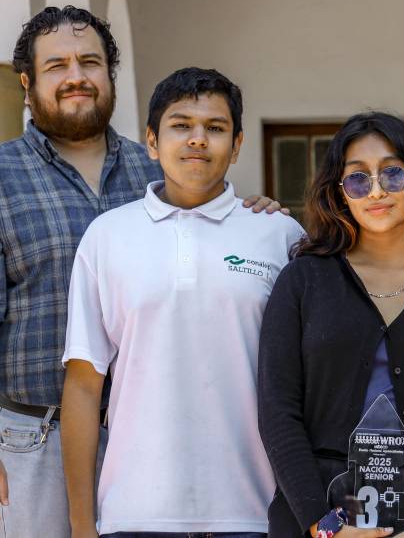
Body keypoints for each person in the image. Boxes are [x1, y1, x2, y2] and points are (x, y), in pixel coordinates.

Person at [0, 7, 281, 537]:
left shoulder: (157, 166)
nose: (76, 76)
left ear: (109, 74)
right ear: (28, 84)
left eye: (90, 62)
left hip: (153, 437)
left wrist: (256, 217)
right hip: (39, 434)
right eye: (57, 66)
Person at [61, 67, 304, 538]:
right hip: (134, 514)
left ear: (237, 145)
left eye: (215, 128)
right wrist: (81, 525)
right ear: (152, 142)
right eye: (181, 125)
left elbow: (308, 384)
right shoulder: (106, 237)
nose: (197, 139)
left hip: (256, 513)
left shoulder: (280, 235)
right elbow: (84, 387)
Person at [258, 112, 404, 538]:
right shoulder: (302, 280)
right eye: (357, 178)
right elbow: (278, 413)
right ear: (340, 192)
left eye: (392, 173)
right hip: (319, 515)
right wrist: (324, 527)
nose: (376, 190)